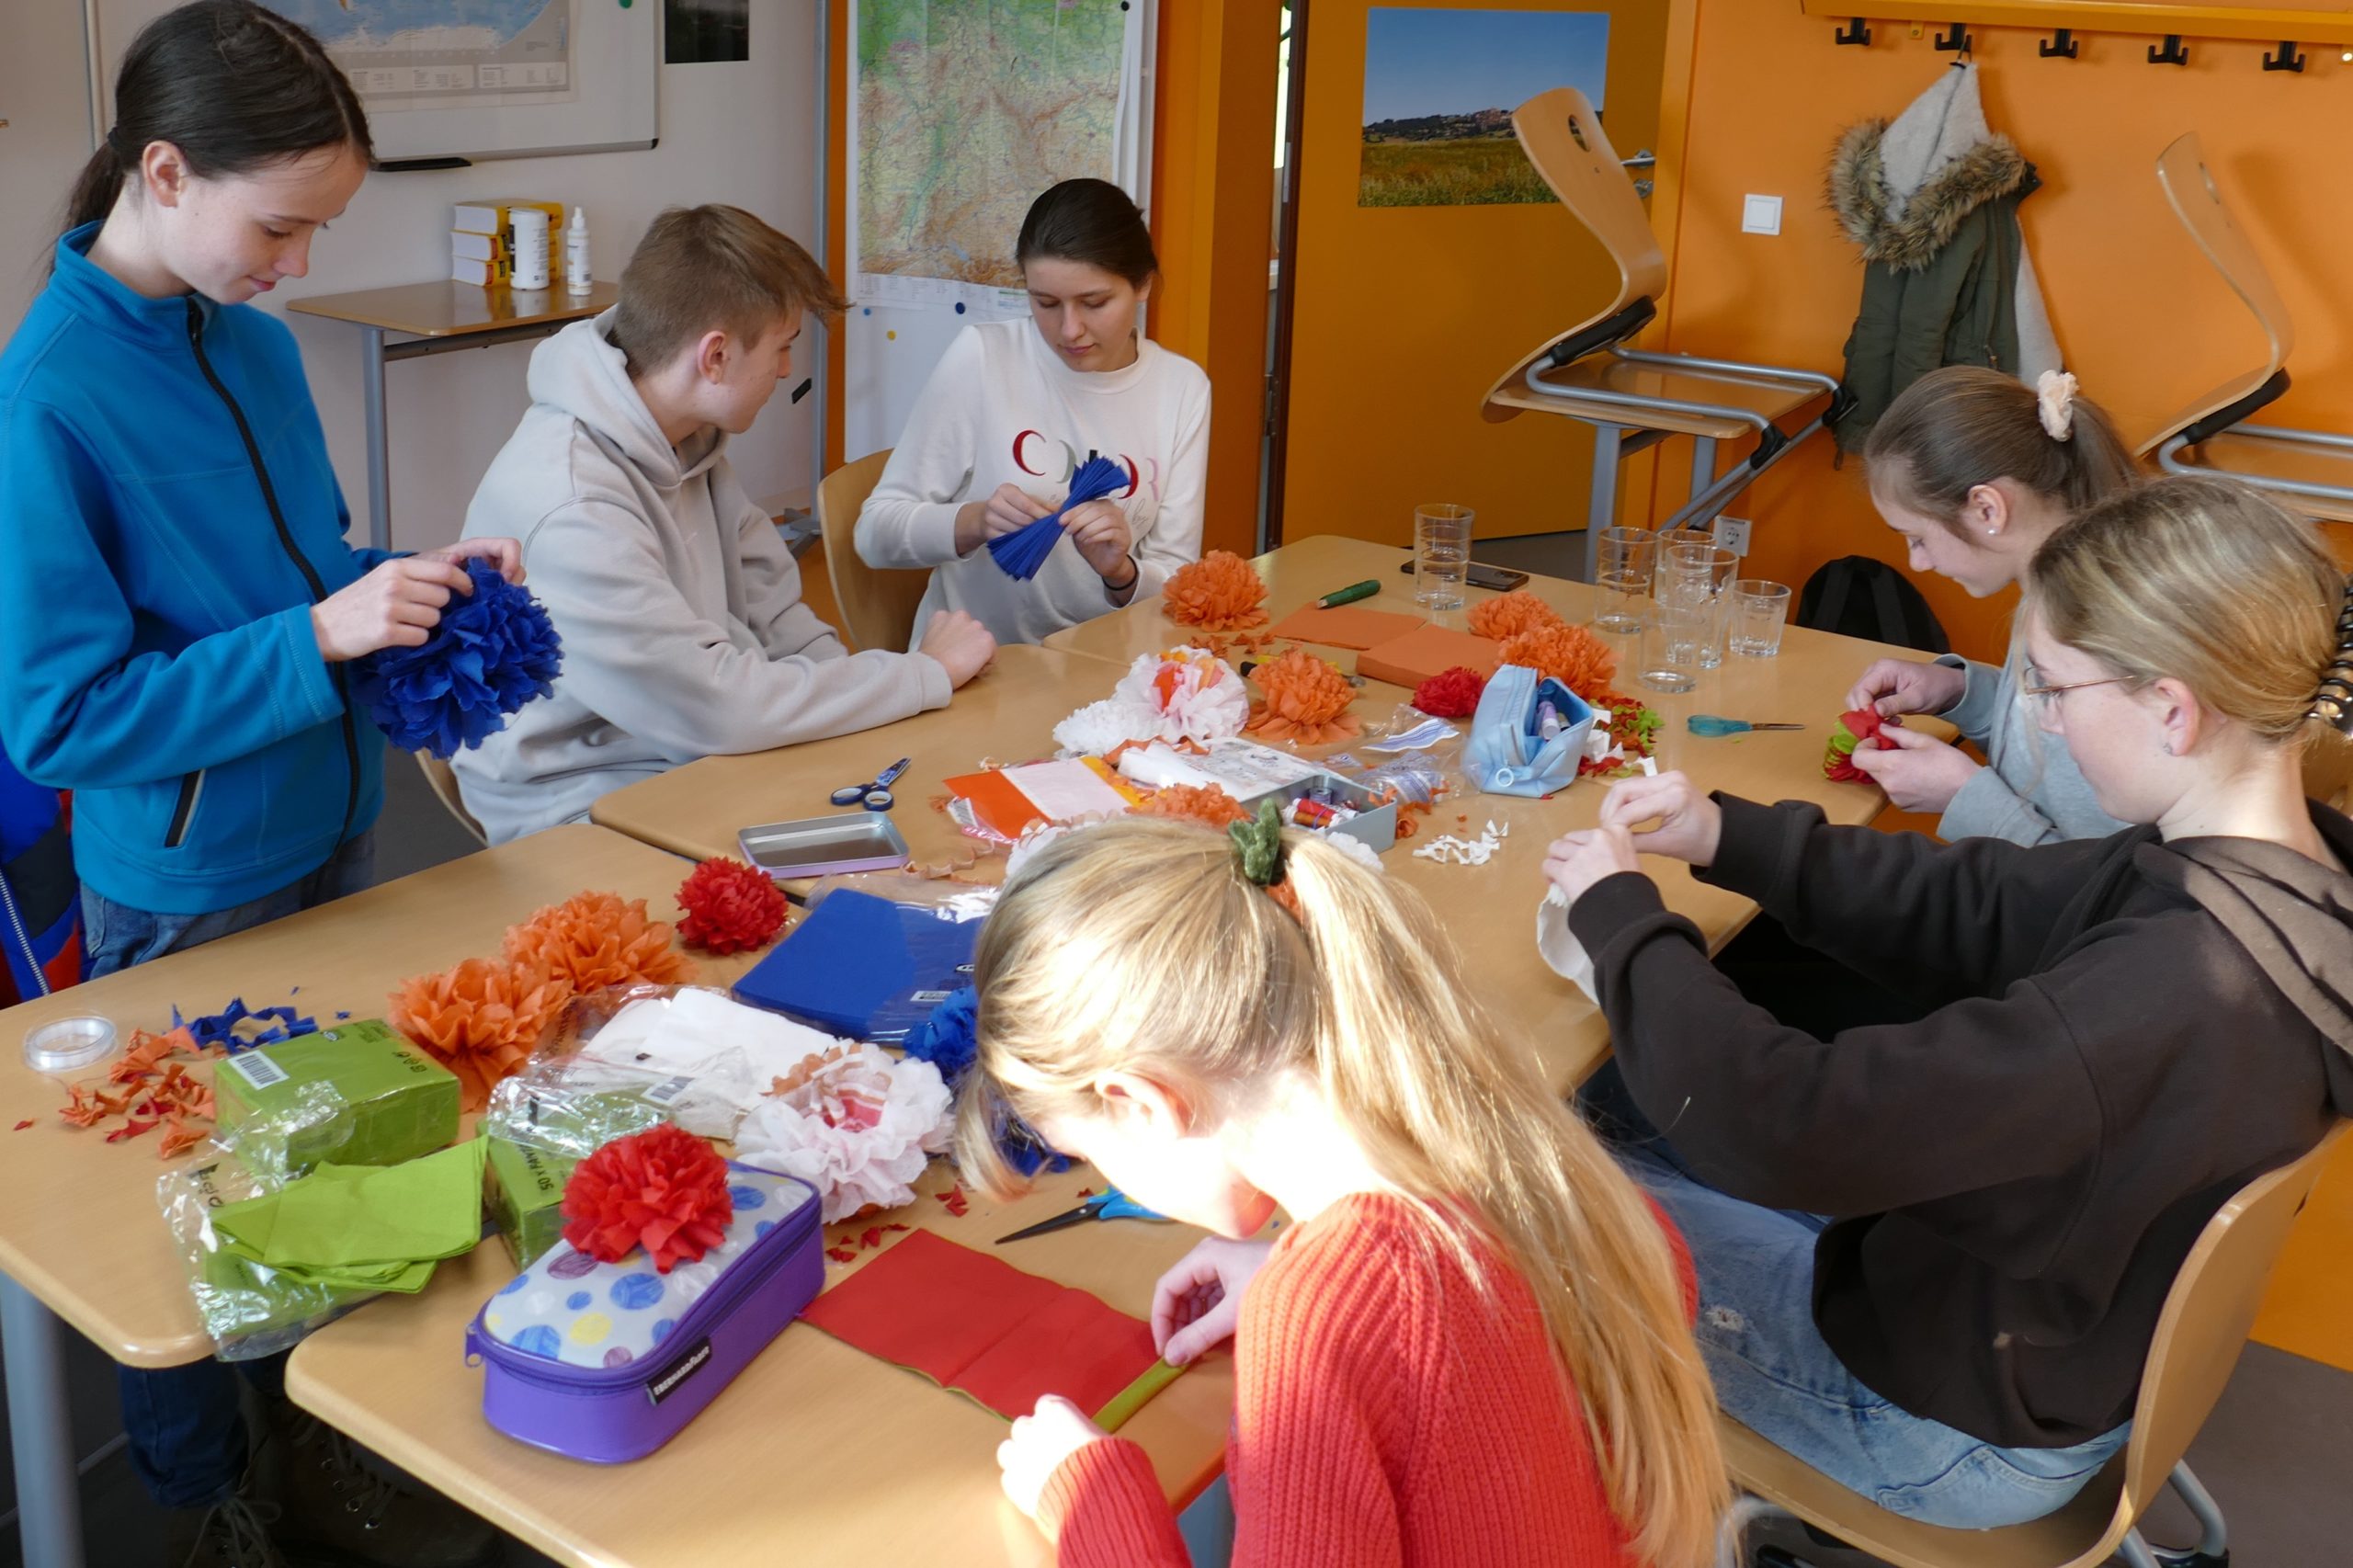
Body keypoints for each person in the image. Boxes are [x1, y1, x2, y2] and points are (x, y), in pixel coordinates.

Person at [1543, 473, 2353, 1529]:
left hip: (1935, 1418)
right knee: (1607, 1106)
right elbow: (1979, 900)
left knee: (1513, 1184)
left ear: (2170, 705)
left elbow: (1788, 1124)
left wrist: (1619, 921)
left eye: (2053, 690)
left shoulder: (2162, 997)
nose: (2045, 728)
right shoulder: (2283, 872)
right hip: (2041, 1332)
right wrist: (1721, 836)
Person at [0, 5, 516, 1563]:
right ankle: (202, 1497)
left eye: (320, 230)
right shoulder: (45, 398)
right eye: (279, 226)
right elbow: (63, 719)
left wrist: (407, 585)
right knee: (187, 1243)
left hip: (338, 825)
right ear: (163, 171)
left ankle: (310, 1444)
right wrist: (318, 631)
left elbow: (302, 580)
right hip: (188, 895)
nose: (295, 265)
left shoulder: (261, 348)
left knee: (321, 1186)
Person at [959, 815, 1727, 1567]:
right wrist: (1314, 1274)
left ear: (1143, 1102)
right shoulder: (1546, 1171)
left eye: (1088, 1157)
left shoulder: (1320, 1321)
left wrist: (1094, 1503)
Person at [451, 204, 995, 843]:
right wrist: (919, 675)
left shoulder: (686, 437)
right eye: (783, 347)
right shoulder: (574, 506)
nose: (788, 370)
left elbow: (778, 615)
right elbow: (717, 707)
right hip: (583, 802)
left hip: (688, 751)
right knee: (855, 884)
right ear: (714, 356)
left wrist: (874, 722)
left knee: (917, 824)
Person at [853, 178, 1211, 647]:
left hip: (1104, 674)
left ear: (1142, 284)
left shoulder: (1181, 388)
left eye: (1094, 302)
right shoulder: (984, 357)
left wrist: (1120, 572)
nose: (1069, 330)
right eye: (1045, 303)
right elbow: (874, 534)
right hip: (977, 668)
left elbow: (1175, 580)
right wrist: (974, 521)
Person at [1844, 366, 2139, 845]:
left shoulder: (2099, 639)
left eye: (1917, 538)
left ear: (1987, 508)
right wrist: (1961, 692)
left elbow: (2108, 891)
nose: (1916, 563)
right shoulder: (2055, 588)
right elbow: (2043, 753)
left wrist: (1966, 799)